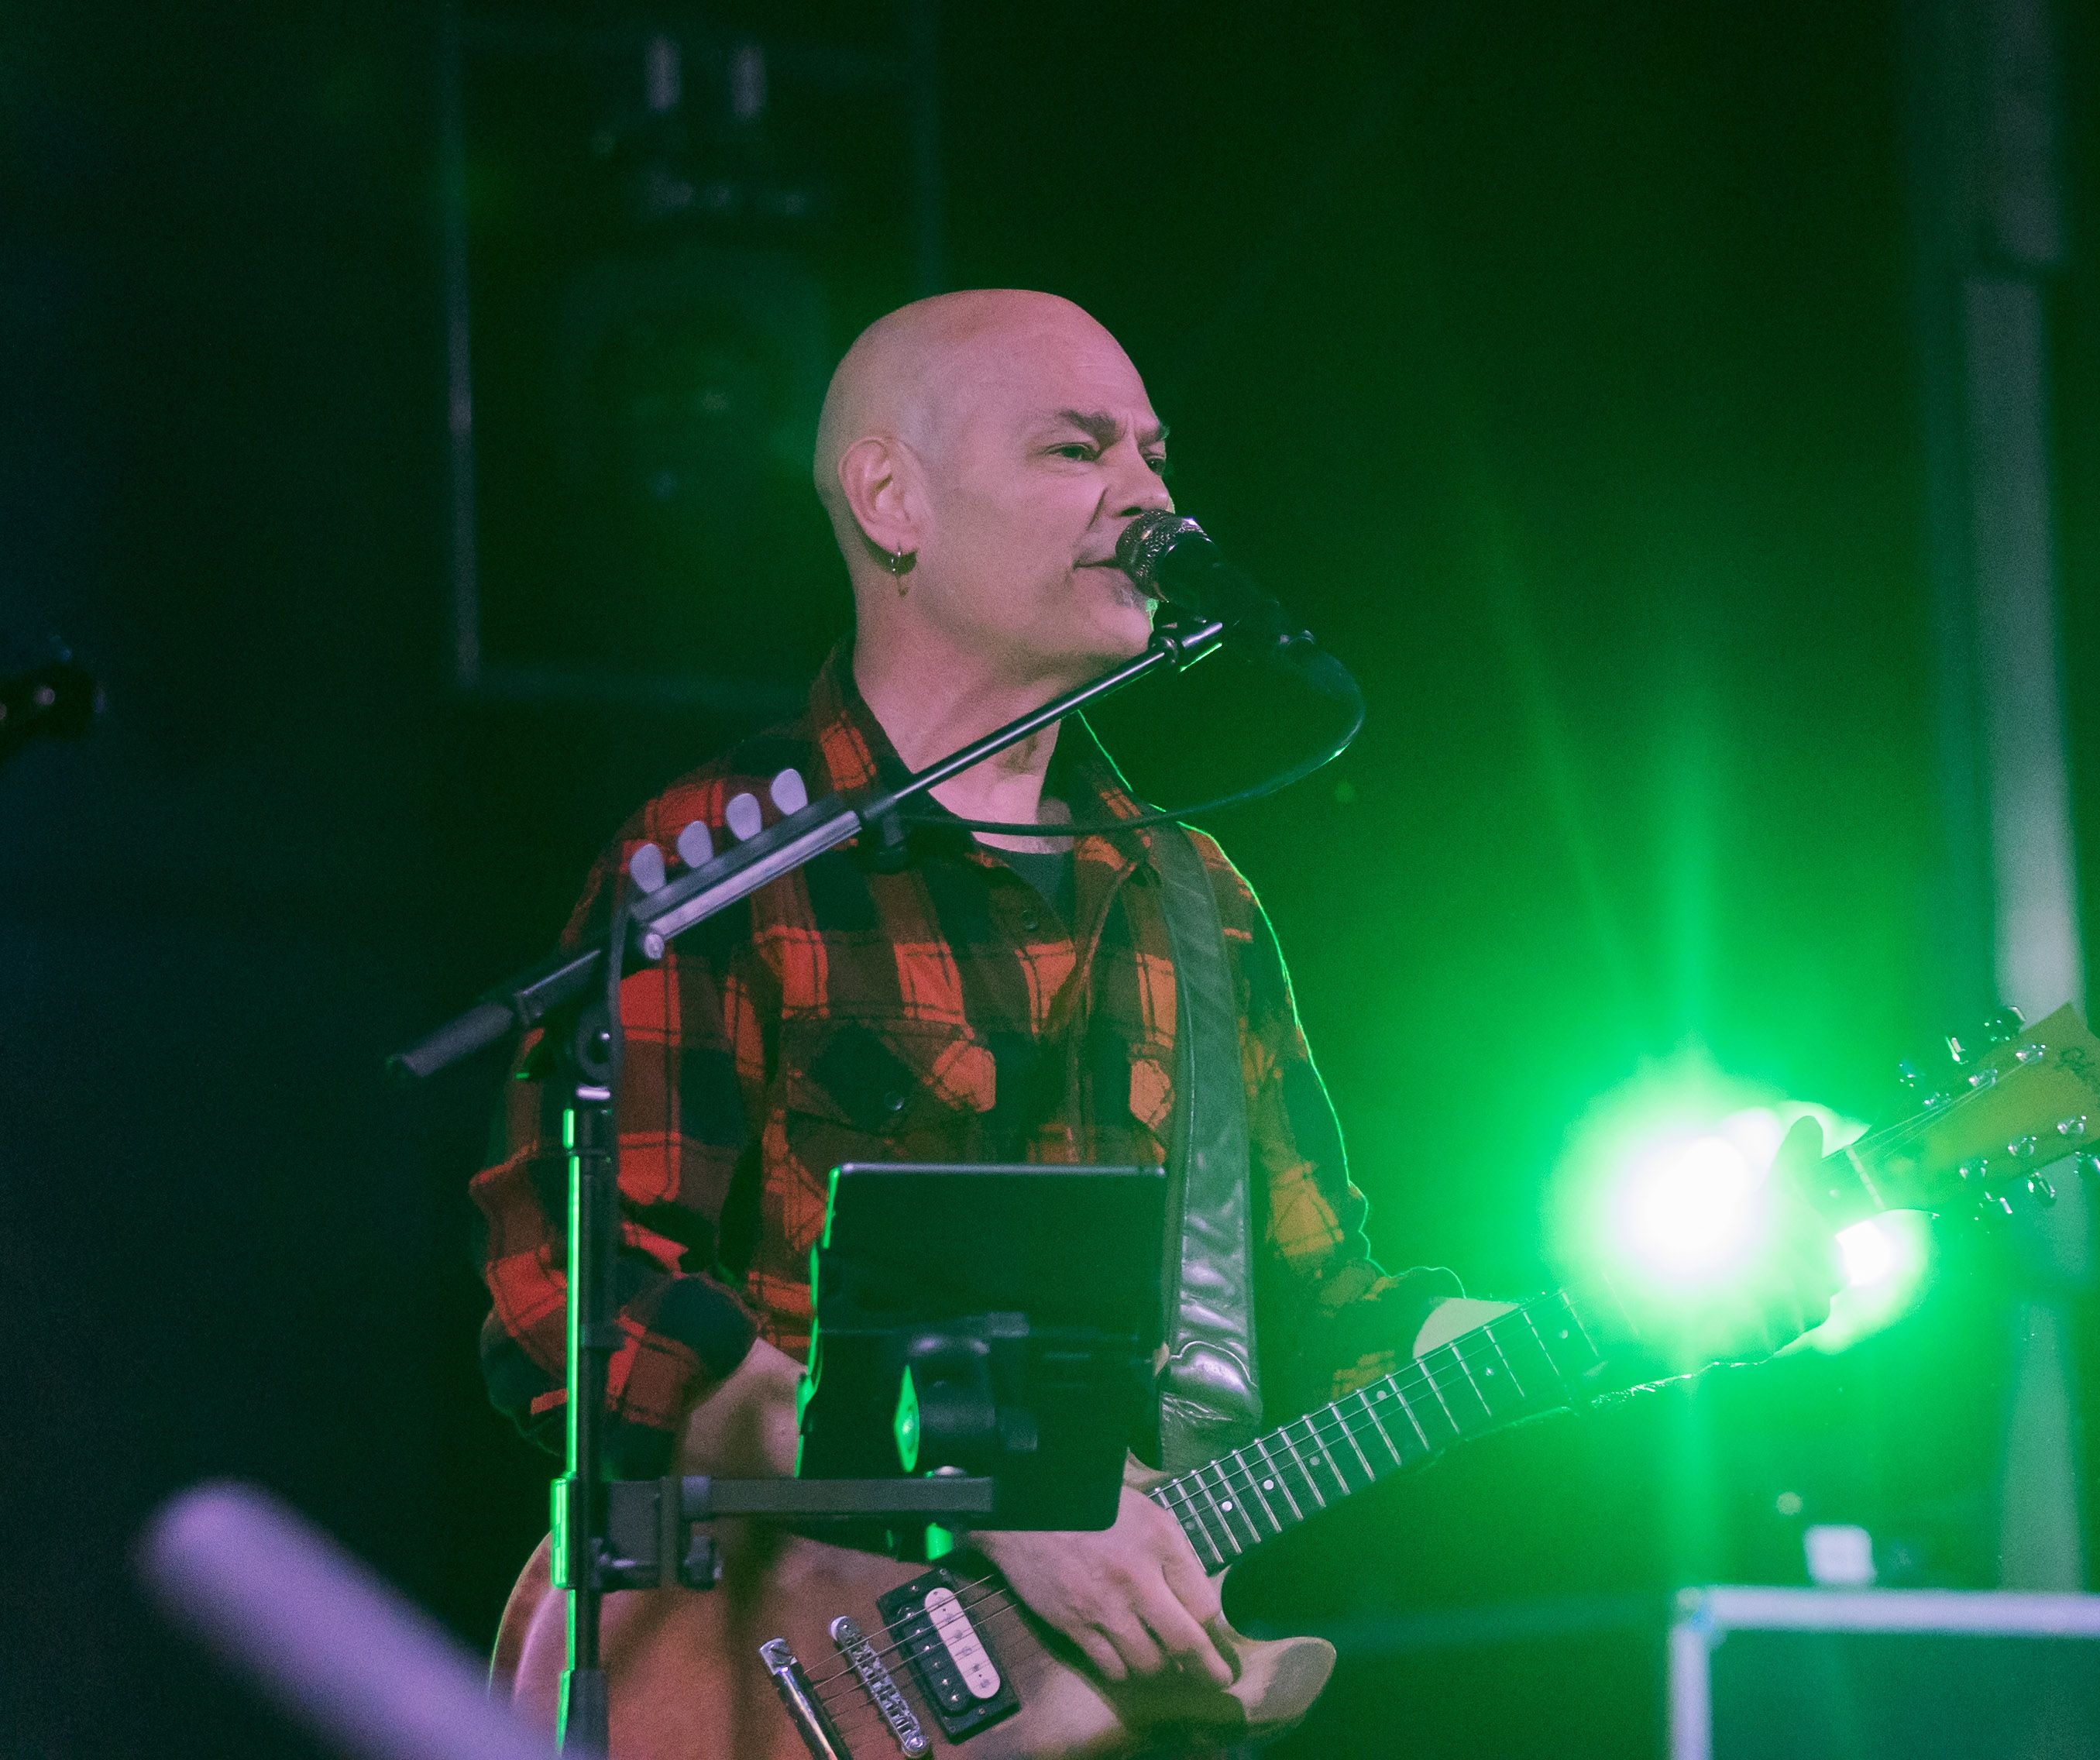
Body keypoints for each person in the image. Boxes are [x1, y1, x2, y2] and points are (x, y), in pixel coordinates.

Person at [470, 289, 1837, 1700]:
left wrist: (1642, 1323)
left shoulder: (1199, 903)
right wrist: (1000, 1496)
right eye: (1077, 452)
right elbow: (581, 1305)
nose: (1149, 497)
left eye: (1155, 453)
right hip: (772, 1686)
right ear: (893, 499)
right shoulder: (725, 861)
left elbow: (1325, 1318)